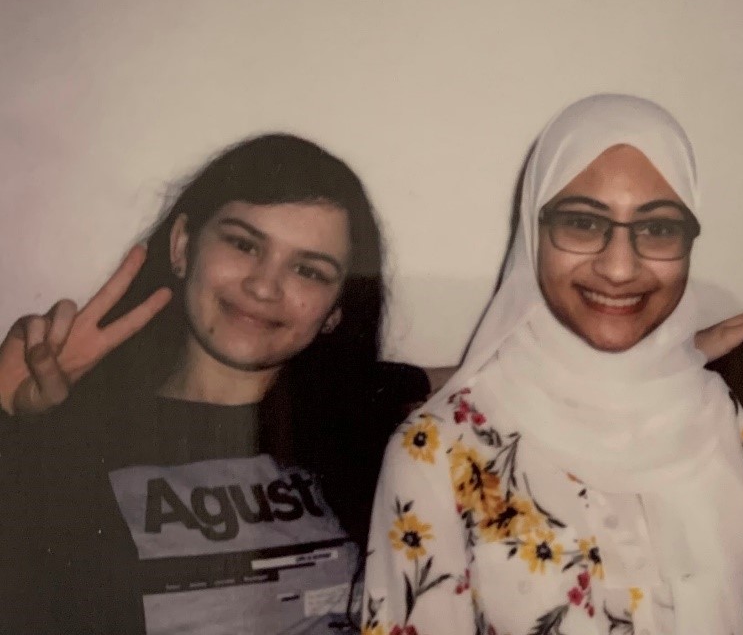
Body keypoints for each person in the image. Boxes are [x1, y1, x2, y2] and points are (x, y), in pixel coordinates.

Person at [362, 94, 743, 635]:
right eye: (582, 223)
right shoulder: (439, 452)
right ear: (532, 233)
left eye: (658, 228)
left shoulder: (718, 416)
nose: (618, 267)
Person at [0, 134, 431, 634]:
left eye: (308, 270)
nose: (264, 286)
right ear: (182, 245)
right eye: (244, 244)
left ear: (335, 310)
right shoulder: (68, 438)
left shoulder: (368, 423)